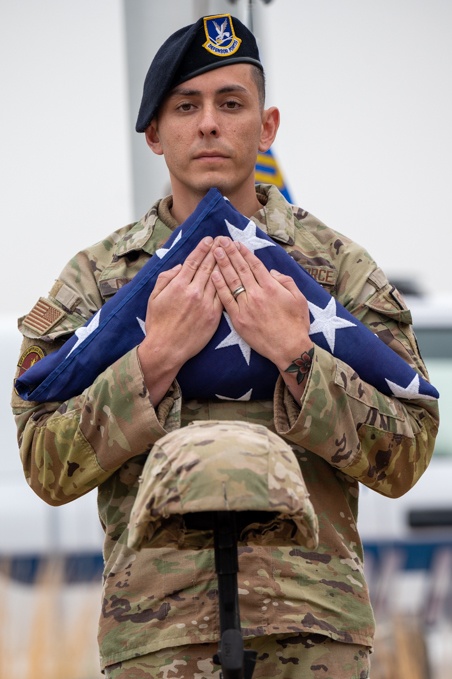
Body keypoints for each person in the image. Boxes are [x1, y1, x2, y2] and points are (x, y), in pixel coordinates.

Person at [11, 13, 439, 679]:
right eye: (187, 105)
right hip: (156, 637)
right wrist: (153, 359)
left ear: (266, 127)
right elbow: (44, 464)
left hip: (313, 631)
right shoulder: (96, 281)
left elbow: (407, 453)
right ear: (155, 132)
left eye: (231, 103)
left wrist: (300, 355)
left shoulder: (335, 272)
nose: (209, 123)